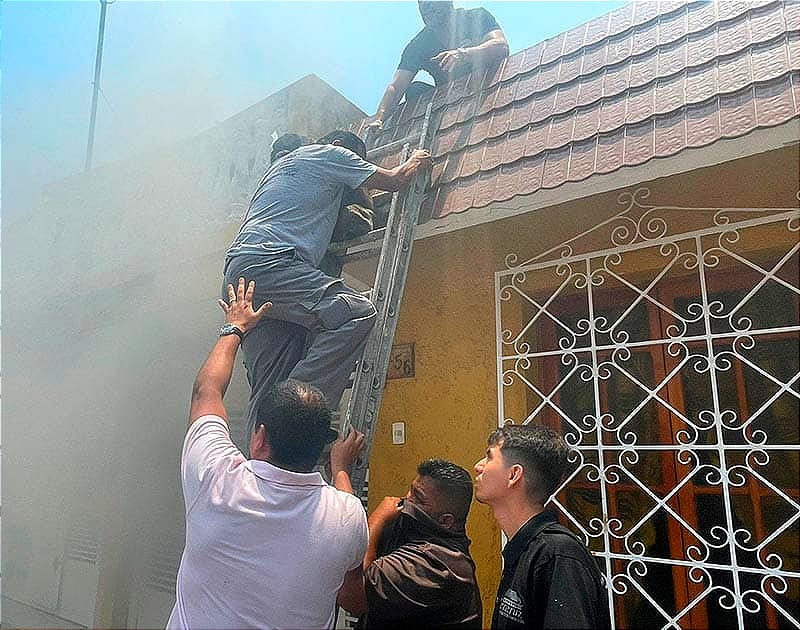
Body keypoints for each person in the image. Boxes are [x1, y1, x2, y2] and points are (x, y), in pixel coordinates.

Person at [167, 277, 369, 630]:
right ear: (320, 447)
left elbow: (206, 391)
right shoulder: (347, 515)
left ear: (259, 439)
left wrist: (235, 327)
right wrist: (341, 470)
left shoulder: (217, 479)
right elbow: (353, 592)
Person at [222, 131, 431, 441]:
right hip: (274, 264)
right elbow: (396, 179)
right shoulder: (331, 154)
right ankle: (295, 415)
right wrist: (417, 158)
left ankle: (261, 466)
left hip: (240, 275)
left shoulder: (280, 170)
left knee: (269, 380)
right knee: (356, 313)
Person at [473, 424, 611, 630]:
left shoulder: (558, 555)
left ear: (514, 475)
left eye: (490, 456)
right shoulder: (526, 549)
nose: (478, 466)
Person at [338, 459, 482, 629]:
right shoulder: (415, 529)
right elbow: (350, 528)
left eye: (418, 498)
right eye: (411, 491)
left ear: (445, 521)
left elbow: (353, 596)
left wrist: (378, 518)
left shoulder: (438, 565)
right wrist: (341, 472)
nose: (407, 500)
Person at [368, 0, 509, 130]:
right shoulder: (418, 45)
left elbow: (501, 46)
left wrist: (464, 54)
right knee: (415, 90)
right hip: (450, 100)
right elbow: (396, 86)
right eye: (420, 2)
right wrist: (380, 118)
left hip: (486, 84)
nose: (425, 5)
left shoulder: (476, 16)